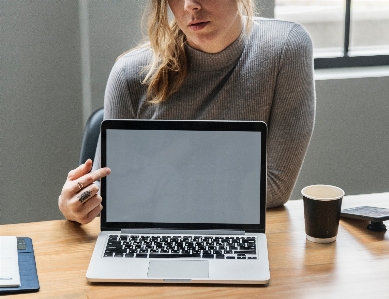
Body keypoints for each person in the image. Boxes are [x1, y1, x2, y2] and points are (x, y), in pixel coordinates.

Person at [59, 0, 315, 224]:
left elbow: (273, 186)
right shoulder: (129, 75)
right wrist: (75, 203)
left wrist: (157, 181)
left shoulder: (285, 50)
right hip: (154, 237)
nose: (189, 5)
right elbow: (114, 195)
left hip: (236, 234)